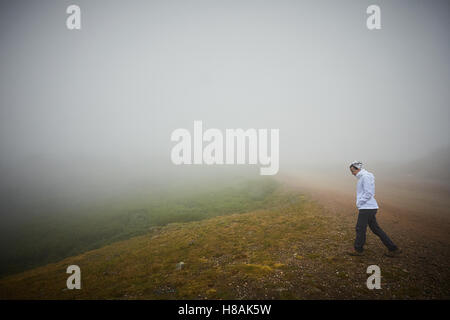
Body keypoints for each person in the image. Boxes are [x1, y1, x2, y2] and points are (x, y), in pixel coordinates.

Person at [347, 161, 401, 257]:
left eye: (352, 171)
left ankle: (358, 249)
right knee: (375, 229)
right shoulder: (363, 177)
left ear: (358, 169)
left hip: (367, 207)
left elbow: (369, 193)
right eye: (351, 171)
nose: (352, 173)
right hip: (368, 207)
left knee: (360, 228)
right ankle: (393, 248)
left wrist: (359, 202)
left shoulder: (365, 177)